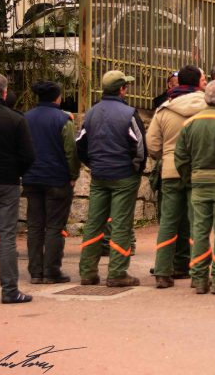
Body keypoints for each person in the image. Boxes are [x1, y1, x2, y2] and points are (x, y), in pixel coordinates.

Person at [77, 70, 146, 287]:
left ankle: (87, 272)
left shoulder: (91, 113)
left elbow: (80, 144)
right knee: (121, 224)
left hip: (99, 175)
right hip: (124, 175)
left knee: (94, 223)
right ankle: (117, 273)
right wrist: (136, 169)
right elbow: (140, 147)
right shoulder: (129, 113)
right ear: (122, 89)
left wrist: (92, 164)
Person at [174, 81, 215, 295]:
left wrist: (189, 178)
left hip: (198, 183)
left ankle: (200, 278)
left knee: (199, 231)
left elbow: (181, 157)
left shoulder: (190, 124)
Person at [146, 65, 206, 289]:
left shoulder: (164, 108)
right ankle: (197, 272)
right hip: (198, 169)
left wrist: (168, 155)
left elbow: (152, 145)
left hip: (170, 170)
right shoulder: (208, 106)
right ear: (198, 82)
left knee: (169, 222)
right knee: (196, 222)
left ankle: (163, 271)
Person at [0, 73, 35, 303]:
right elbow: (28, 155)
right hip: (6, 182)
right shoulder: (15, 119)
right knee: (6, 237)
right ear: (4, 93)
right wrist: (16, 172)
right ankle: (10, 291)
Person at [22, 81, 79, 285]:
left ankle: (36, 272)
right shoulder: (63, 119)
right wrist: (73, 175)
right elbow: (71, 151)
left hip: (31, 179)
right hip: (57, 179)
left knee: (35, 225)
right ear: (58, 97)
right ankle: (51, 271)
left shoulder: (25, 118)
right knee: (55, 226)